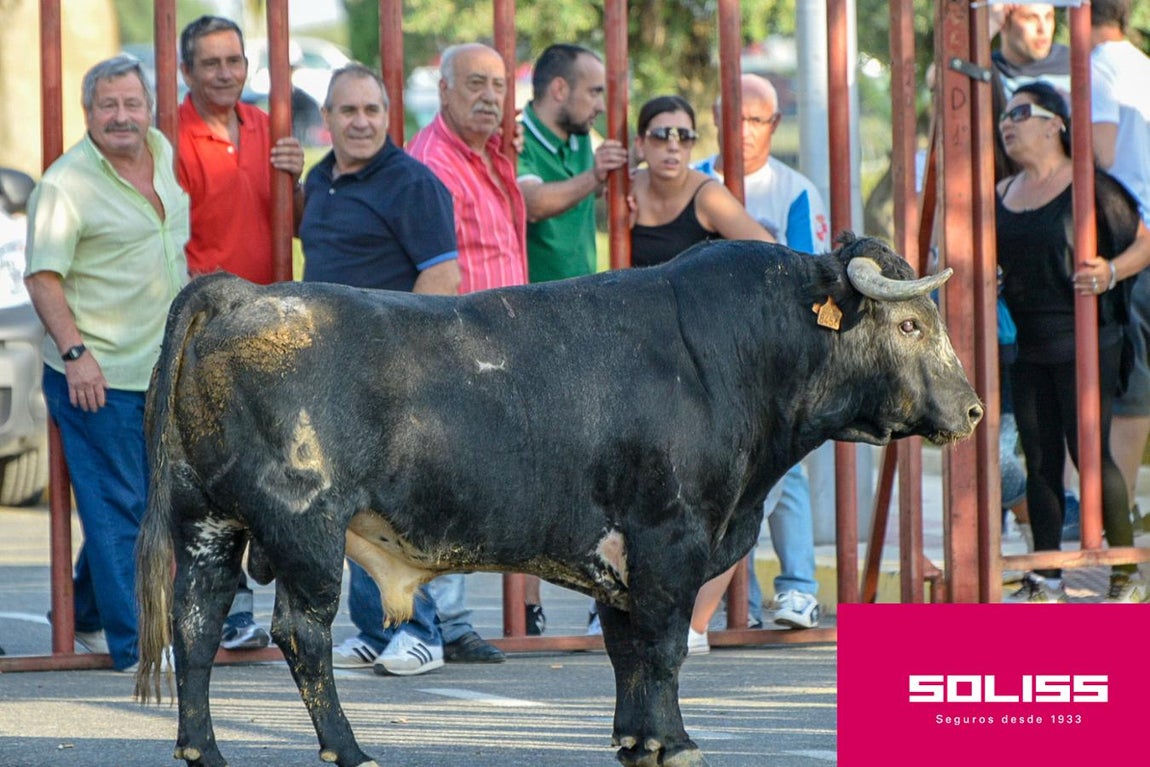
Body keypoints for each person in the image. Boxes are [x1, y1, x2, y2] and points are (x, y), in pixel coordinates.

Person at [24, 55, 189, 670]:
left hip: (161, 369)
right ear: (88, 113)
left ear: (149, 109)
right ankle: (139, 643)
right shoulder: (65, 185)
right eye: (108, 106)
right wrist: (76, 354)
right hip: (97, 373)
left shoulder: (162, 152)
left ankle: (89, 614)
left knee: (141, 502)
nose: (122, 116)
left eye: (132, 104)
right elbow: (42, 278)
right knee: (124, 507)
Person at [299, 64, 461, 675]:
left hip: (394, 376)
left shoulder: (412, 184)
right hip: (332, 375)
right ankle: (376, 628)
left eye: (372, 110)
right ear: (328, 119)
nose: (361, 122)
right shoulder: (320, 180)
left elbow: (442, 277)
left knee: (398, 511)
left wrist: (403, 366)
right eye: (348, 110)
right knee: (351, 508)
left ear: (388, 116)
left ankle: (421, 632)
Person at [176, 15, 305, 650]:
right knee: (215, 469)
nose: (225, 73)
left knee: (271, 466)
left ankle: (98, 594)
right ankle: (226, 611)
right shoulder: (172, 138)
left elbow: (299, 223)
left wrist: (296, 179)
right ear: (185, 71)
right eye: (211, 63)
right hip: (208, 328)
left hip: (271, 324)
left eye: (235, 61)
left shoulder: (267, 129)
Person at [995, 81, 1150, 604]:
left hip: (1087, 340)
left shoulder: (1089, 186)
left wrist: (1110, 271)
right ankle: (1046, 577)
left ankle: (1125, 574)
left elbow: (1144, 243)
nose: (1007, 124)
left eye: (1020, 113)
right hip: (1026, 343)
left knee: (1089, 454)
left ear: (1055, 123)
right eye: (1004, 116)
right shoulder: (1001, 193)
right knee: (1039, 458)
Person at [686, 75, 825, 653]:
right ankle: (714, 600)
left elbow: (811, 271)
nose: (743, 130)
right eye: (734, 117)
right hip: (705, 354)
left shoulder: (795, 191)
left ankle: (798, 586)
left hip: (772, 355)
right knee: (708, 478)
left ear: (774, 125)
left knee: (781, 468)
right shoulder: (696, 178)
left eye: (756, 120)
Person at [407, 42, 528, 663]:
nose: (489, 96)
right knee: (445, 486)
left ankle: (448, 620)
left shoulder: (489, 154)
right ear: (443, 90)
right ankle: (433, 623)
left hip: (498, 348)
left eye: (498, 85)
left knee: (468, 486)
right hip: (458, 349)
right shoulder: (434, 163)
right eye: (475, 83)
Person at [516, 43, 629, 634]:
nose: (601, 104)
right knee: (532, 467)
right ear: (558, 90)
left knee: (596, 467)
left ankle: (604, 596)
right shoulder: (520, 137)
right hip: (531, 324)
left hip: (586, 321)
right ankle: (525, 609)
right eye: (594, 91)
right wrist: (595, 177)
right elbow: (532, 203)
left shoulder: (583, 139)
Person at [1090, 0, 1150, 537]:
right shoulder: (1141, 64)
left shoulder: (1096, 69)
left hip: (1124, 233)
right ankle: (1121, 508)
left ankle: (1116, 510)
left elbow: (1102, 152)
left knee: (1123, 376)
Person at [629, 94, 774, 267]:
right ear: (640, 143)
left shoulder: (709, 196)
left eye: (684, 136)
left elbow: (773, 254)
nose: (673, 147)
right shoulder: (629, 187)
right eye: (661, 135)